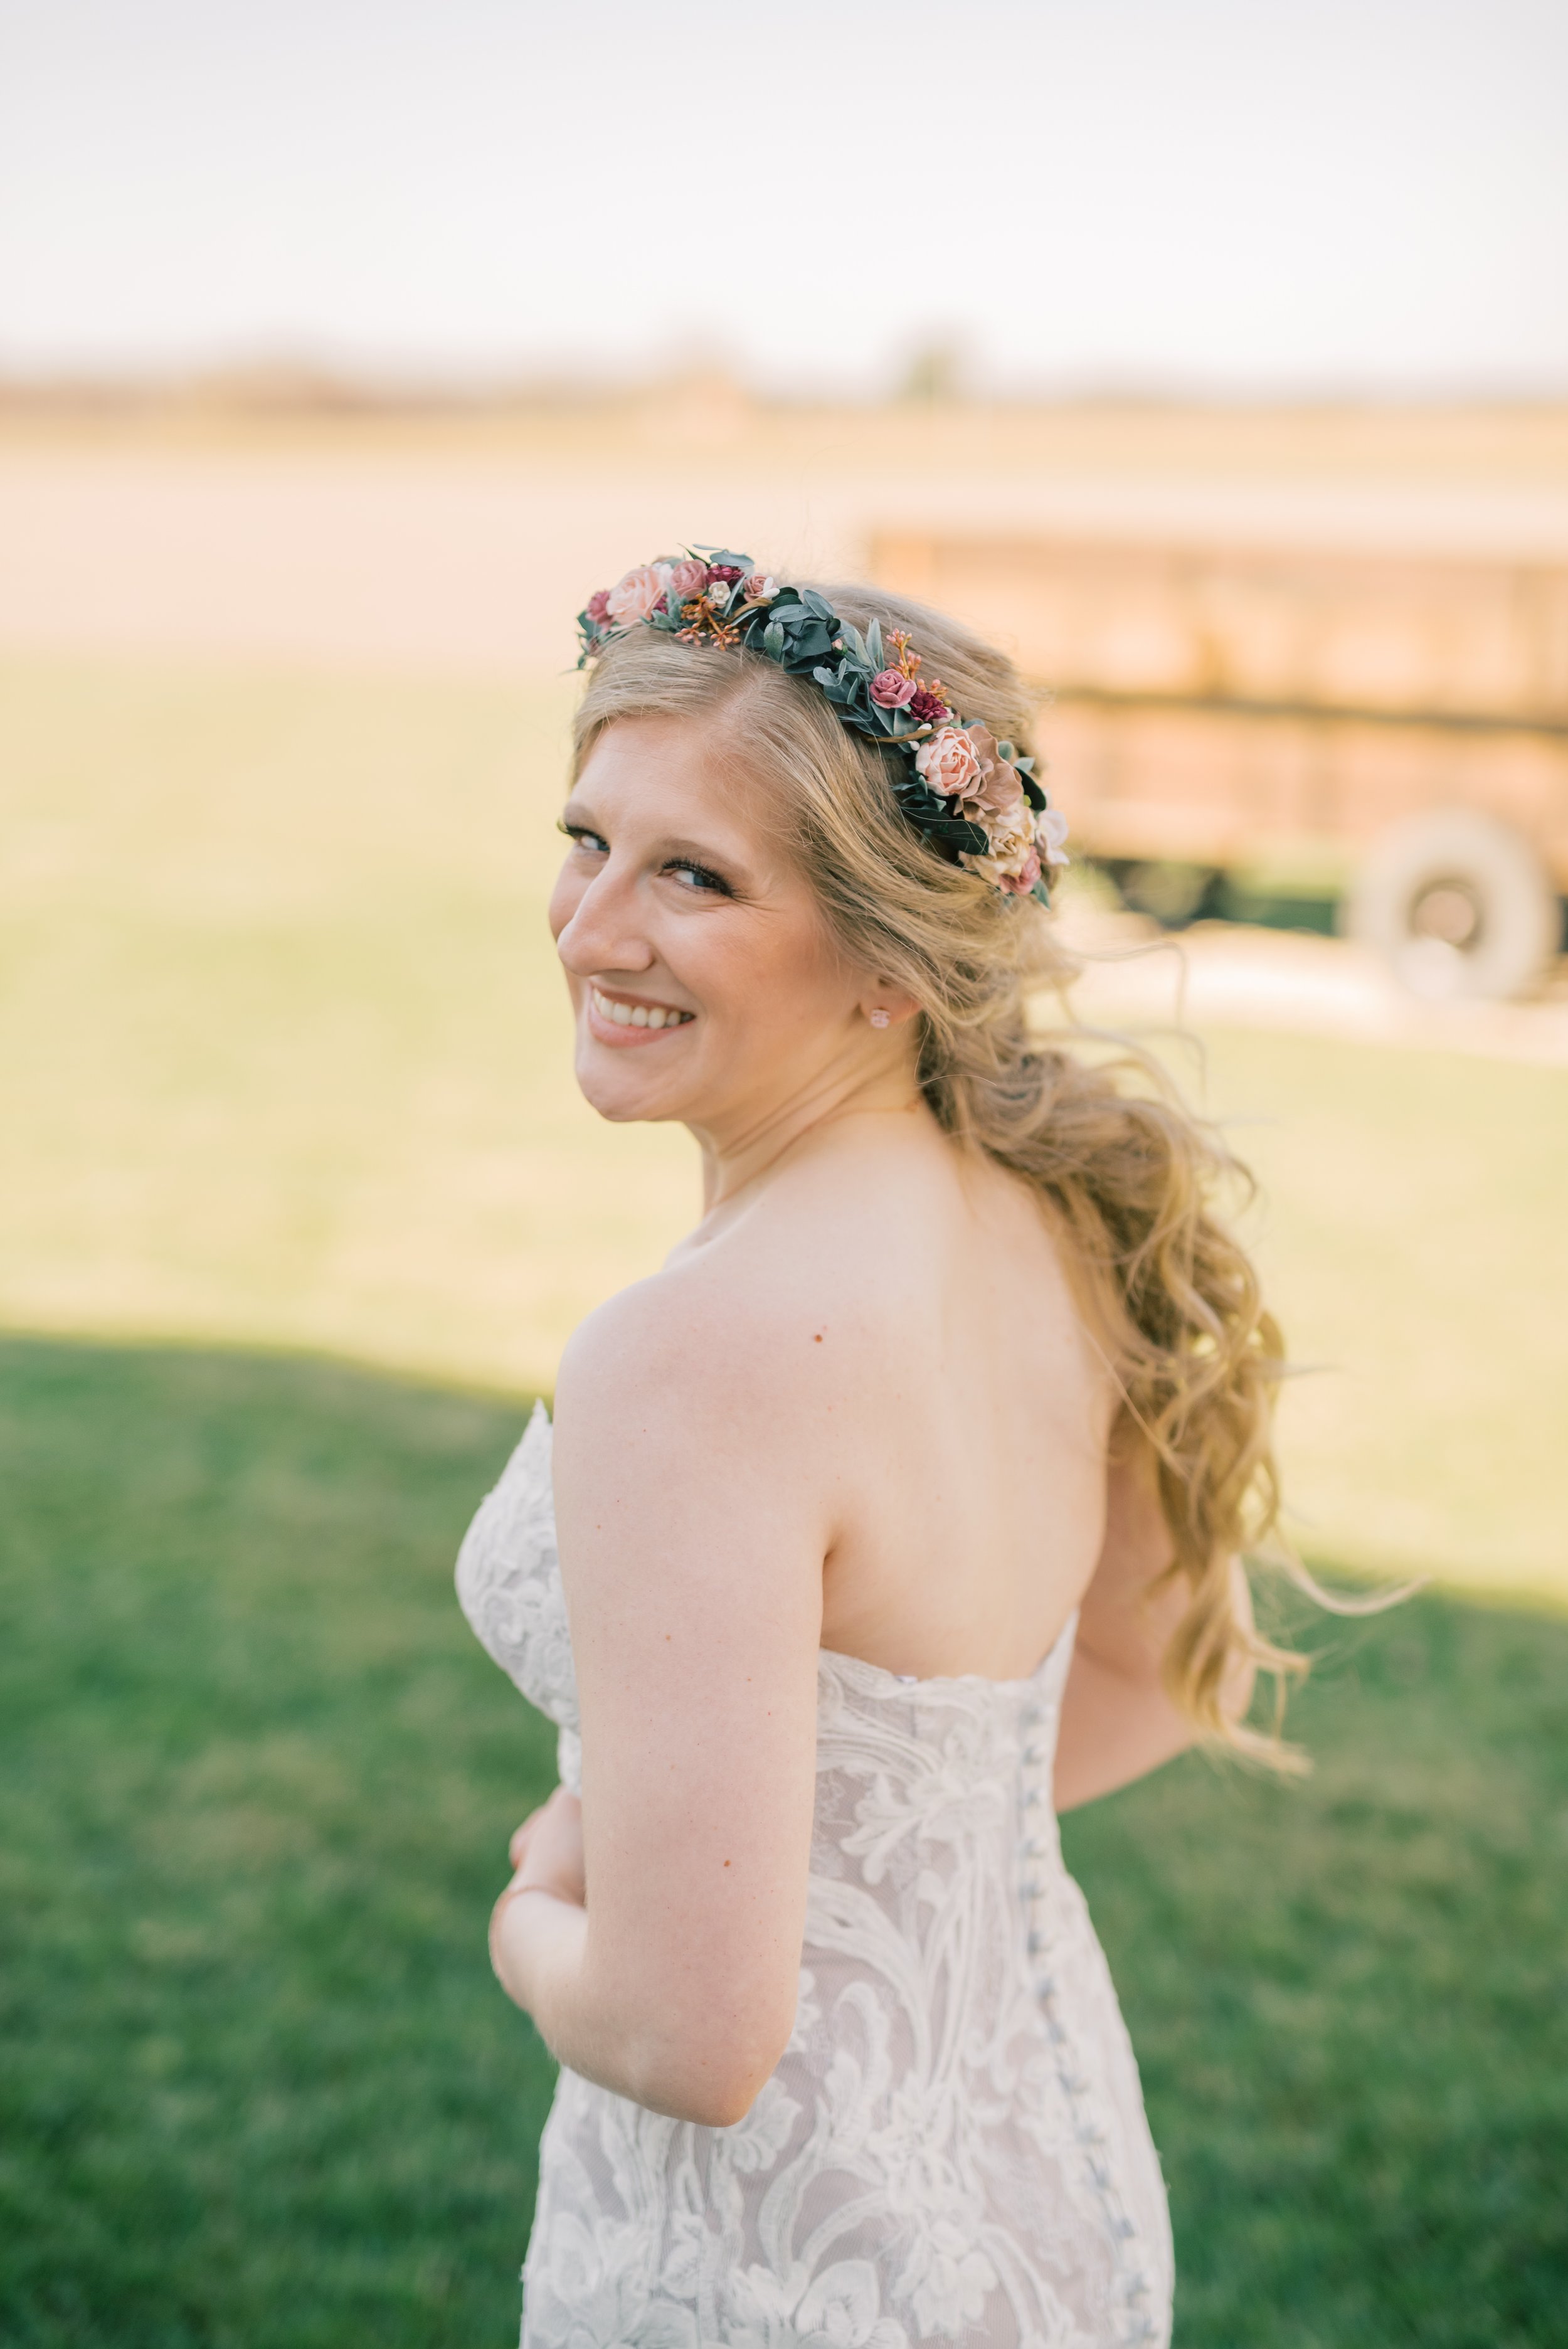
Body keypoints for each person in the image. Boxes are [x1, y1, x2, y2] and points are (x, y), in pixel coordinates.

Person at [457, 555, 1303, 2349]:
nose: (593, 927)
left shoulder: (689, 1359)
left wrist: (540, 1903)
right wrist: (816, 1859)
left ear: (886, 956)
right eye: (587, 836)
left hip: (783, 2254)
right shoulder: (1055, 1219)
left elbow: (690, 2039)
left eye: (694, 875)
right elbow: (1146, 1675)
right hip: (1034, 2178)